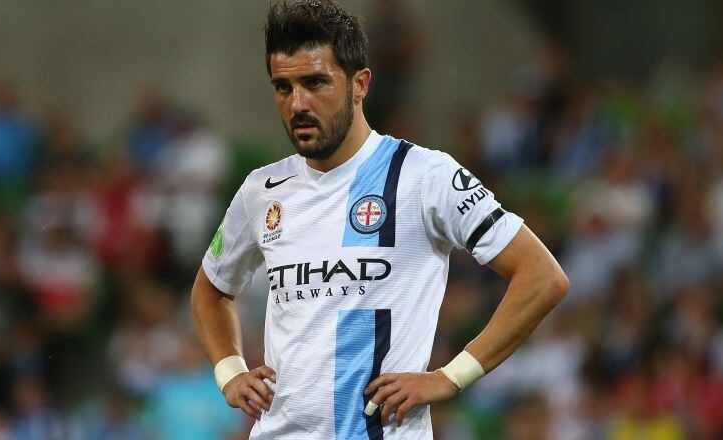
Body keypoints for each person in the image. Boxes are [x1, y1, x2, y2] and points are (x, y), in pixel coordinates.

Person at [191, 1, 569, 439]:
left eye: (315, 82)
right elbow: (211, 289)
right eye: (283, 87)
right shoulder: (262, 190)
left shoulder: (426, 175)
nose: (297, 103)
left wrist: (450, 376)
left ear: (360, 83)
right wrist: (229, 371)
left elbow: (542, 276)